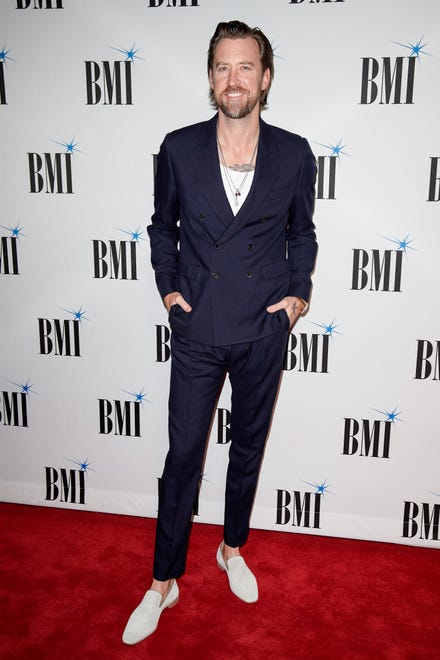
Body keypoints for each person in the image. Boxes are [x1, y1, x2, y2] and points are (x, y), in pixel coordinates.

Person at [122, 19, 317, 645]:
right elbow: (161, 227)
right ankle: (163, 581)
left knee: (249, 447)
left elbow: (302, 233)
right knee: (184, 455)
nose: (234, 80)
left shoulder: (294, 152)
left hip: (263, 325)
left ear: (265, 77)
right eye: (222, 68)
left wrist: (297, 296)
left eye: (246, 67)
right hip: (199, 324)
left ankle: (232, 548)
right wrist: (169, 287)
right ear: (211, 78)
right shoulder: (178, 148)